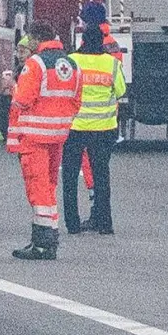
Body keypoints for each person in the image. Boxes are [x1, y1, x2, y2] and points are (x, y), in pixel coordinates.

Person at [5, 24, 80, 261]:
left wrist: (13, 88)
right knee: (48, 187)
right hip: (59, 134)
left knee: (38, 190)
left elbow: (22, 99)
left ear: (37, 39)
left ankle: (43, 242)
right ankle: (48, 239)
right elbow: (77, 100)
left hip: (35, 136)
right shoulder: (71, 63)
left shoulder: (35, 64)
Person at [63, 25, 125, 235]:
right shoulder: (112, 64)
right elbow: (121, 90)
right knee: (101, 176)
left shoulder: (72, 61)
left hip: (75, 127)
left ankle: (72, 224)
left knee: (70, 176)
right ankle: (104, 223)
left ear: (82, 41)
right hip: (104, 128)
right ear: (101, 42)